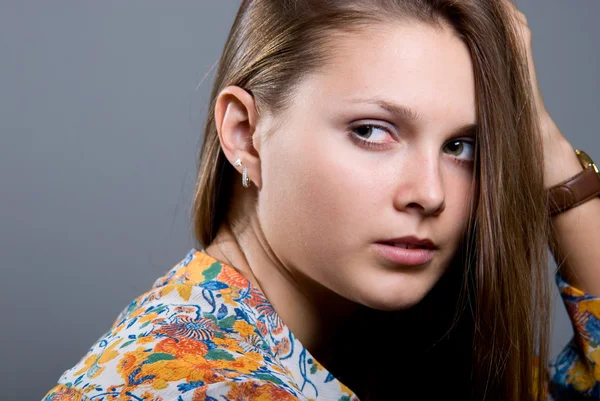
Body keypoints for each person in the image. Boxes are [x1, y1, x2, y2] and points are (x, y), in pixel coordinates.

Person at [42, 0, 600, 400]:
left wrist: (538, 136)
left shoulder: (401, 349)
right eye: (371, 131)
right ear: (244, 135)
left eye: (462, 146)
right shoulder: (197, 384)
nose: (430, 194)